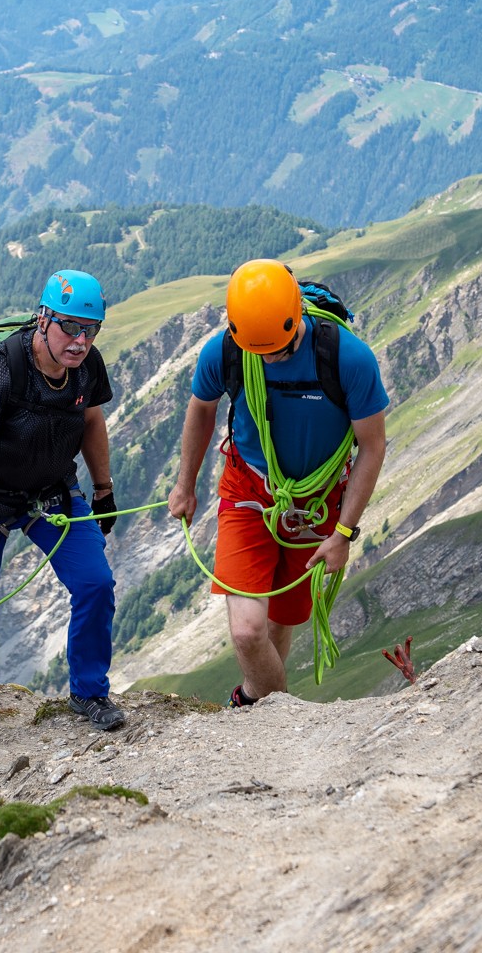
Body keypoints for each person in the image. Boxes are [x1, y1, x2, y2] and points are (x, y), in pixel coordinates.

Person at [167, 259, 389, 707]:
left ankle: (257, 709)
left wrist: (344, 532)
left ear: (298, 318)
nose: (267, 358)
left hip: (316, 502)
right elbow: (201, 408)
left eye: (280, 350)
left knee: (282, 620)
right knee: (248, 631)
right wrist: (184, 484)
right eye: (258, 351)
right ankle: (273, 718)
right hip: (248, 491)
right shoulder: (225, 350)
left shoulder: (347, 357)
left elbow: (372, 445)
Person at [0, 270, 125, 751]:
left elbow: (92, 421)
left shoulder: (86, 366)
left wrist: (103, 490)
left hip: (50, 493)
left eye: (90, 329)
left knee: (95, 583)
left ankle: (88, 693)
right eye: (69, 326)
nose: (80, 341)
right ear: (42, 319)